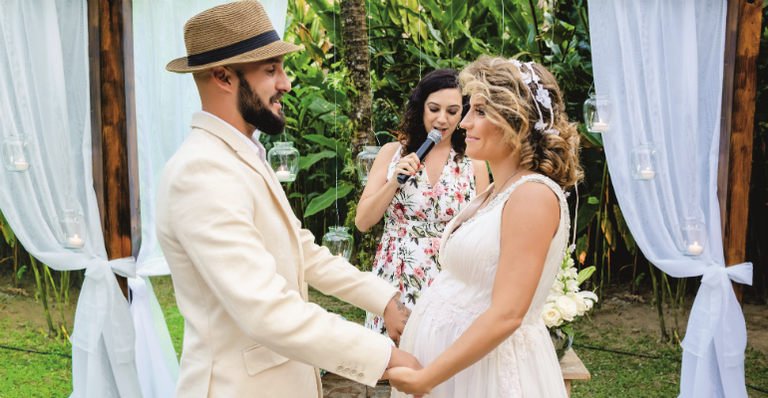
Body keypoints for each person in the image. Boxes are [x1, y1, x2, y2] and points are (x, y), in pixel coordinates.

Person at [156, 2, 420, 397]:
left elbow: (300, 250)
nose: (287, 83)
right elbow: (267, 311)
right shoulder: (201, 172)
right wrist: (384, 357)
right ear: (223, 77)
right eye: (271, 70)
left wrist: (383, 299)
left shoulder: (243, 153)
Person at [385, 56, 582, 397]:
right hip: (459, 369)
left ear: (514, 121)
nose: (463, 123)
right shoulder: (499, 189)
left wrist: (426, 378)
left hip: (488, 375)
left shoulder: (532, 195)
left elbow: (508, 313)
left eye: (478, 111)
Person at [355, 69, 490, 338]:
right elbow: (362, 222)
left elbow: (482, 231)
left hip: (451, 276)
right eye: (434, 108)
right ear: (421, 109)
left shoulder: (474, 163)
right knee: (397, 365)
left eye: (452, 111)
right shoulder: (391, 153)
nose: (442, 119)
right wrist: (393, 182)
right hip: (397, 273)